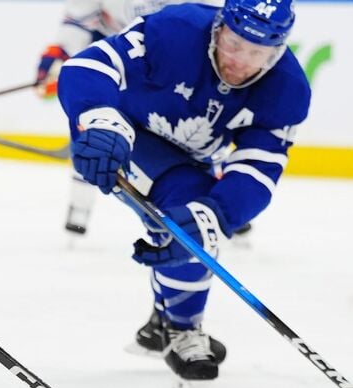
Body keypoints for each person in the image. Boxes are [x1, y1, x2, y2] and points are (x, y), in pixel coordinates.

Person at [56, 0, 310, 388]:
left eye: (258, 54)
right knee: (187, 203)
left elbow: (257, 169)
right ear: (218, 28)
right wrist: (99, 118)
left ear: (278, 50)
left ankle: (166, 319)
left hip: (192, 158)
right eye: (235, 45)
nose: (241, 62)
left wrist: (217, 215)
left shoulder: (287, 88)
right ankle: (182, 328)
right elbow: (88, 66)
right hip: (120, 136)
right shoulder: (174, 28)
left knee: (197, 219)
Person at [35, 0, 257, 238]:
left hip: (181, 68)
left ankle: (216, 204)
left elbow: (216, 26)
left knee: (198, 133)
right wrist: (62, 52)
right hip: (124, 64)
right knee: (97, 132)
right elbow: (80, 18)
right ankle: (79, 208)